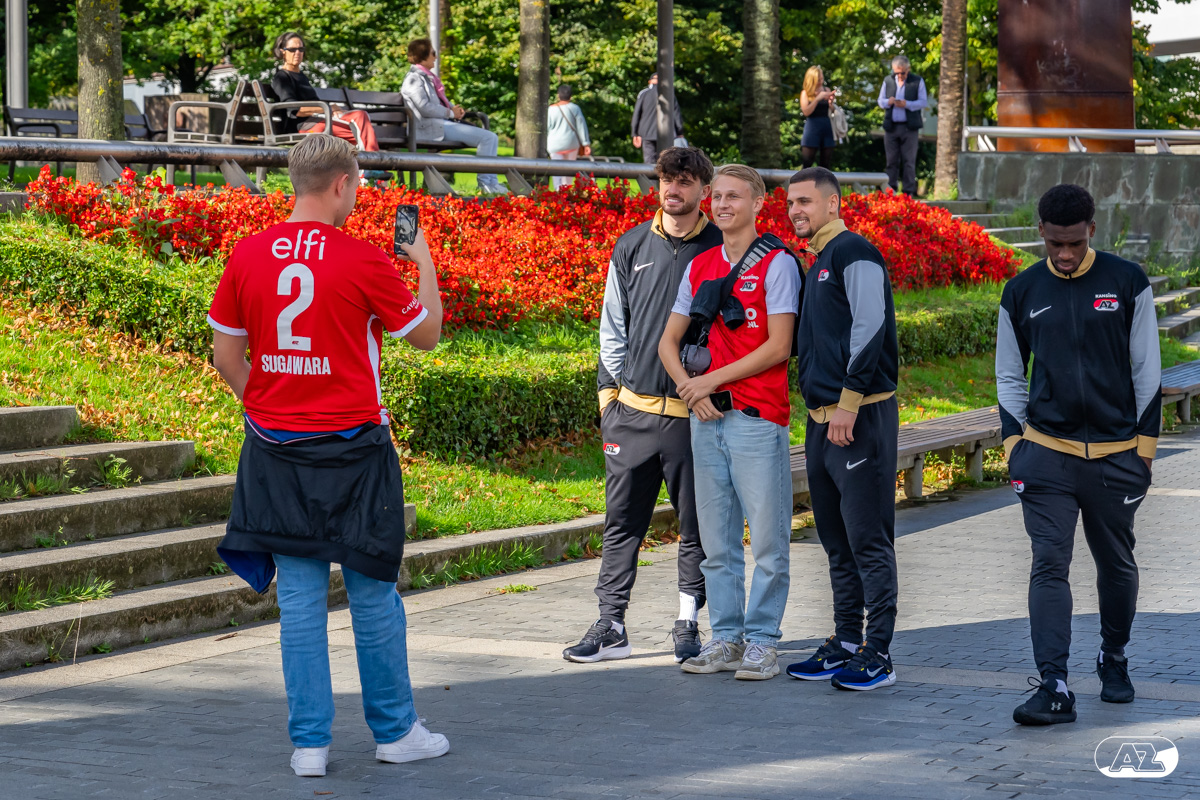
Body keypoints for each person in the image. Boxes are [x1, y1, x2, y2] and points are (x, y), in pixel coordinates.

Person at [207, 134, 449, 777]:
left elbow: (226, 357)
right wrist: (424, 261)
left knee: (300, 602)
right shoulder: (362, 258)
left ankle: (310, 746)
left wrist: (271, 406)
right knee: (373, 597)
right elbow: (426, 334)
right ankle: (395, 732)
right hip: (355, 455)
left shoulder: (247, 254)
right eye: (358, 184)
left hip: (276, 453)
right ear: (341, 184)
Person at [997, 184, 1161, 726]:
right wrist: (1014, 445)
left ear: (1091, 229)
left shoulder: (1127, 281)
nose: (1064, 254)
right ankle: (1054, 685)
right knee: (1049, 562)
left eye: (1074, 242)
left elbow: (1147, 369)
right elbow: (1008, 373)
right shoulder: (1021, 291)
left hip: (1118, 456)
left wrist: (1144, 451)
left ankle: (1114, 657)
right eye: (1055, 244)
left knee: (1116, 564)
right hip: (1047, 453)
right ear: (1041, 233)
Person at [563, 147, 722, 665]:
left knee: (696, 526)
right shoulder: (631, 245)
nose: (673, 189)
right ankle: (611, 624)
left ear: (703, 190)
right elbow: (613, 326)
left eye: (685, 181)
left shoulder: (721, 247)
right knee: (621, 524)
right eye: (667, 180)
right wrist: (608, 398)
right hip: (630, 413)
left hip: (694, 418)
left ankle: (687, 621)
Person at [658, 164, 800, 681]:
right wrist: (690, 388)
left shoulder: (778, 263)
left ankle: (762, 642)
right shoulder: (700, 265)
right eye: (716, 196)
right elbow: (667, 342)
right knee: (716, 542)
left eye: (733, 197)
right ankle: (725, 638)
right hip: (705, 417)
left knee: (767, 542)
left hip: (757, 418)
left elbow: (779, 346)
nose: (721, 204)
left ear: (758, 203)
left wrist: (709, 381)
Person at [785, 166, 901, 692]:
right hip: (821, 422)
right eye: (791, 203)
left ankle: (879, 653)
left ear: (833, 204)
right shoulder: (819, 260)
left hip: (858, 418)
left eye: (806, 201)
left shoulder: (854, 252)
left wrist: (849, 404)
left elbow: (871, 327)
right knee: (837, 541)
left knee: (868, 540)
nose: (796, 211)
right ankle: (848, 641)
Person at [401, 38, 507, 194]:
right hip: (429, 128)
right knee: (487, 138)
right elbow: (424, 107)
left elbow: (437, 101)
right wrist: (450, 113)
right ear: (423, 55)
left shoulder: (426, 77)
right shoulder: (414, 79)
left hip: (440, 124)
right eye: (433, 53)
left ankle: (491, 183)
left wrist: (453, 108)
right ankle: (485, 185)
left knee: (492, 137)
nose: (436, 57)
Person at [270, 32, 381, 156]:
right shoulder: (282, 78)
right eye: (292, 49)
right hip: (303, 127)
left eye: (301, 49)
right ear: (282, 51)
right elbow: (295, 110)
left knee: (359, 116)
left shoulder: (302, 77)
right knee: (359, 129)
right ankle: (372, 162)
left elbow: (315, 104)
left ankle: (369, 162)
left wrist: (333, 111)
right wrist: (328, 108)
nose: (297, 53)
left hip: (319, 120)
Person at [876, 55, 927, 196]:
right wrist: (889, 102)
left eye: (902, 73)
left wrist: (907, 104)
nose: (899, 76)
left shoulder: (917, 81)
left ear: (908, 69)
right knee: (891, 161)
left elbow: (923, 102)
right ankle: (890, 192)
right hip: (891, 127)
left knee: (909, 161)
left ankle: (908, 193)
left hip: (909, 128)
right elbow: (880, 101)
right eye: (896, 73)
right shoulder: (888, 80)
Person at [630, 73, 684, 164]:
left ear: (650, 81)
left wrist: (635, 133)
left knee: (649, 161)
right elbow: (676, 114)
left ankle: (650, 174)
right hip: (666, 133)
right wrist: (680, 132)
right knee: (666, 161)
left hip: (647, 133)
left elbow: (637, 114)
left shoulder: (644, 94)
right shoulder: (668, 94)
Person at [546, 85, 592, 190]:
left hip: (555, 144)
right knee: (569, 170)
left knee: (556, 170)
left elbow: (547, 127)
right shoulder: (575, 108)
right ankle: (567, 190)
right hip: (571, 144)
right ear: (570, 96)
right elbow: (581, 126)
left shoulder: (551, 109)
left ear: (558, 95)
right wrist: (586, 144)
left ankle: (558, 190)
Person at [799, 66, 837, 170]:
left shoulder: (826, 90)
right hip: (812, 128)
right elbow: (806, 112)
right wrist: (817, 99)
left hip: (826, 126)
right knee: (807, 161)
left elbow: (832, 111)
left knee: (826, 163)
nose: (821, 82)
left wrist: (831, 103)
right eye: (818, 80)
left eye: (821, 79)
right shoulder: (805, 93)